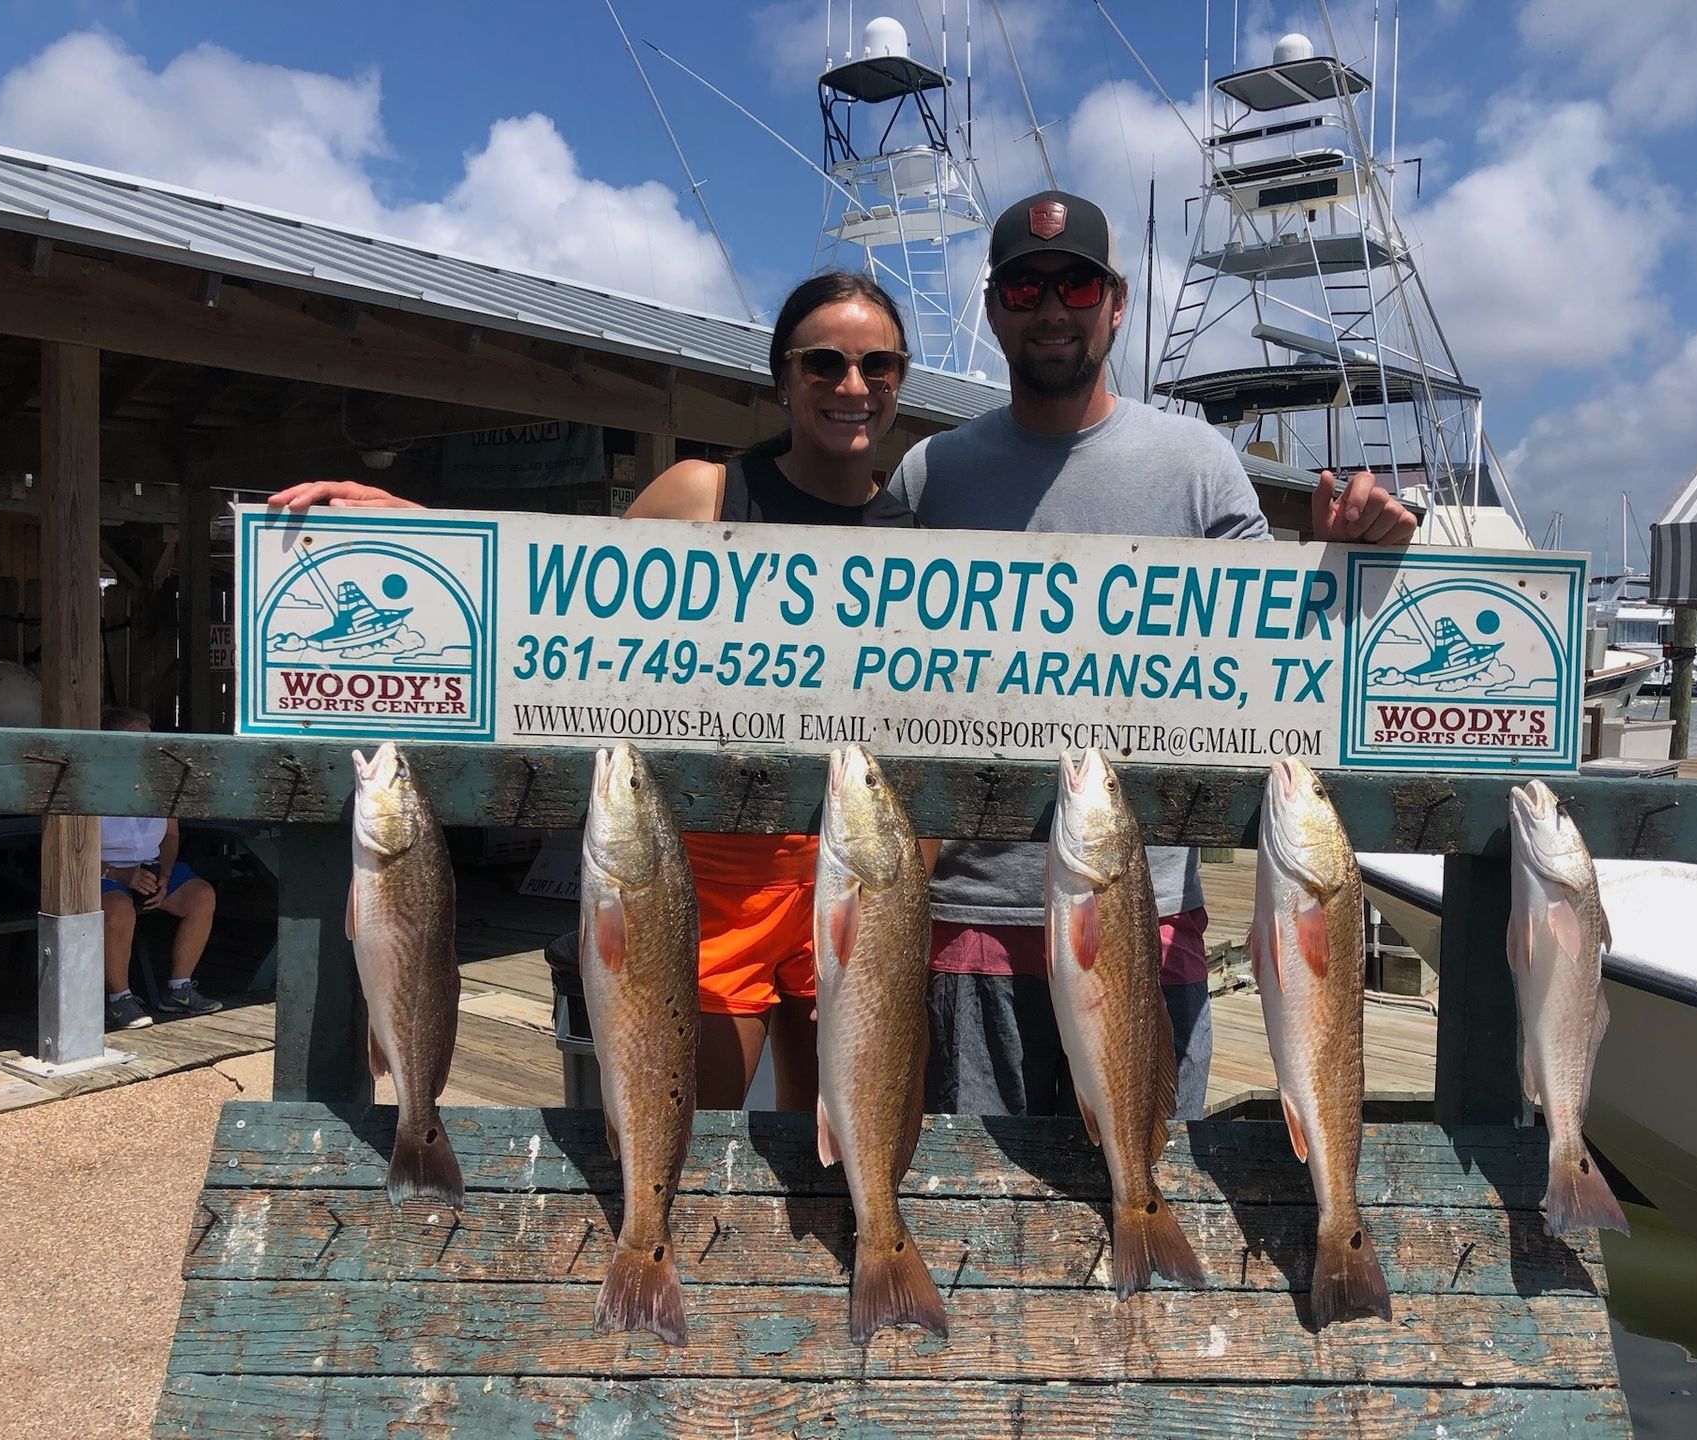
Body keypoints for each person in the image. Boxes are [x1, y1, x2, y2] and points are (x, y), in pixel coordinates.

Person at [269, 271, 925, 1111]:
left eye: (878, 365)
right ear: (783, 377)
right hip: (707, 867)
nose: (853, 385)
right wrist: (420, 531)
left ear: (900, 379)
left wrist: (910, 892)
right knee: (684, 1137)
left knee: (840, 1148)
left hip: (857, 871)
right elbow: (557, 601)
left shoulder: (922, 543)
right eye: (824, 362)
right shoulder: (705, 493)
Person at [885, 189, 1416, 1123]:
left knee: (1146, 1172)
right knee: (972, 1195)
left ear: (1117, 302)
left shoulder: (1199, 463)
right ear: (994, 310)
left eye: (1078, 285)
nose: (1053, 308)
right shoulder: (929, 473)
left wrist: (1345, 565)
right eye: (1026, 290)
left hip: (1149, 911)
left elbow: (1279, 661)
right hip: (974, 920)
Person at [98, 707, 221, 1029]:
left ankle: (179, 990)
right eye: (136, 740)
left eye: (148, 739)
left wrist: (164, 875)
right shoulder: (90, 782)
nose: (147, 746)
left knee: (201, 896)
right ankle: (119, 999)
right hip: (99, 872)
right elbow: (72, 848)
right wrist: (120, 875)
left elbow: (170, 834)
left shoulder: (160, 780)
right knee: (119, 910)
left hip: (149, 868)